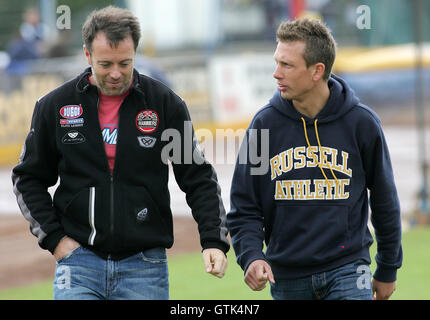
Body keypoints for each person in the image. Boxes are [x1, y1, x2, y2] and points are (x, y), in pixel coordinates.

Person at [12, 6, 229, 300]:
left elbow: (198, 177)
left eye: (125, 63)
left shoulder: (164, 104)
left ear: (136, 53)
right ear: (87, 55)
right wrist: (56, 240)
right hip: (78, 264)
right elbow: (27, 179)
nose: (116, 73)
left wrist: (213, 240)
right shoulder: (55, 106)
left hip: (145, 267)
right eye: (105, 64)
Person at [227, 18, 402, 300]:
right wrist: (251, 256)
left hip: (348, 268)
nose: (276, 73)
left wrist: (388, 267)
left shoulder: (361, 123)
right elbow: (244, 205)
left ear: (316, 71)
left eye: (287, 65)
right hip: (287, 276)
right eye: (276, 62)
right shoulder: (263, 126)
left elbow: (384, 199)